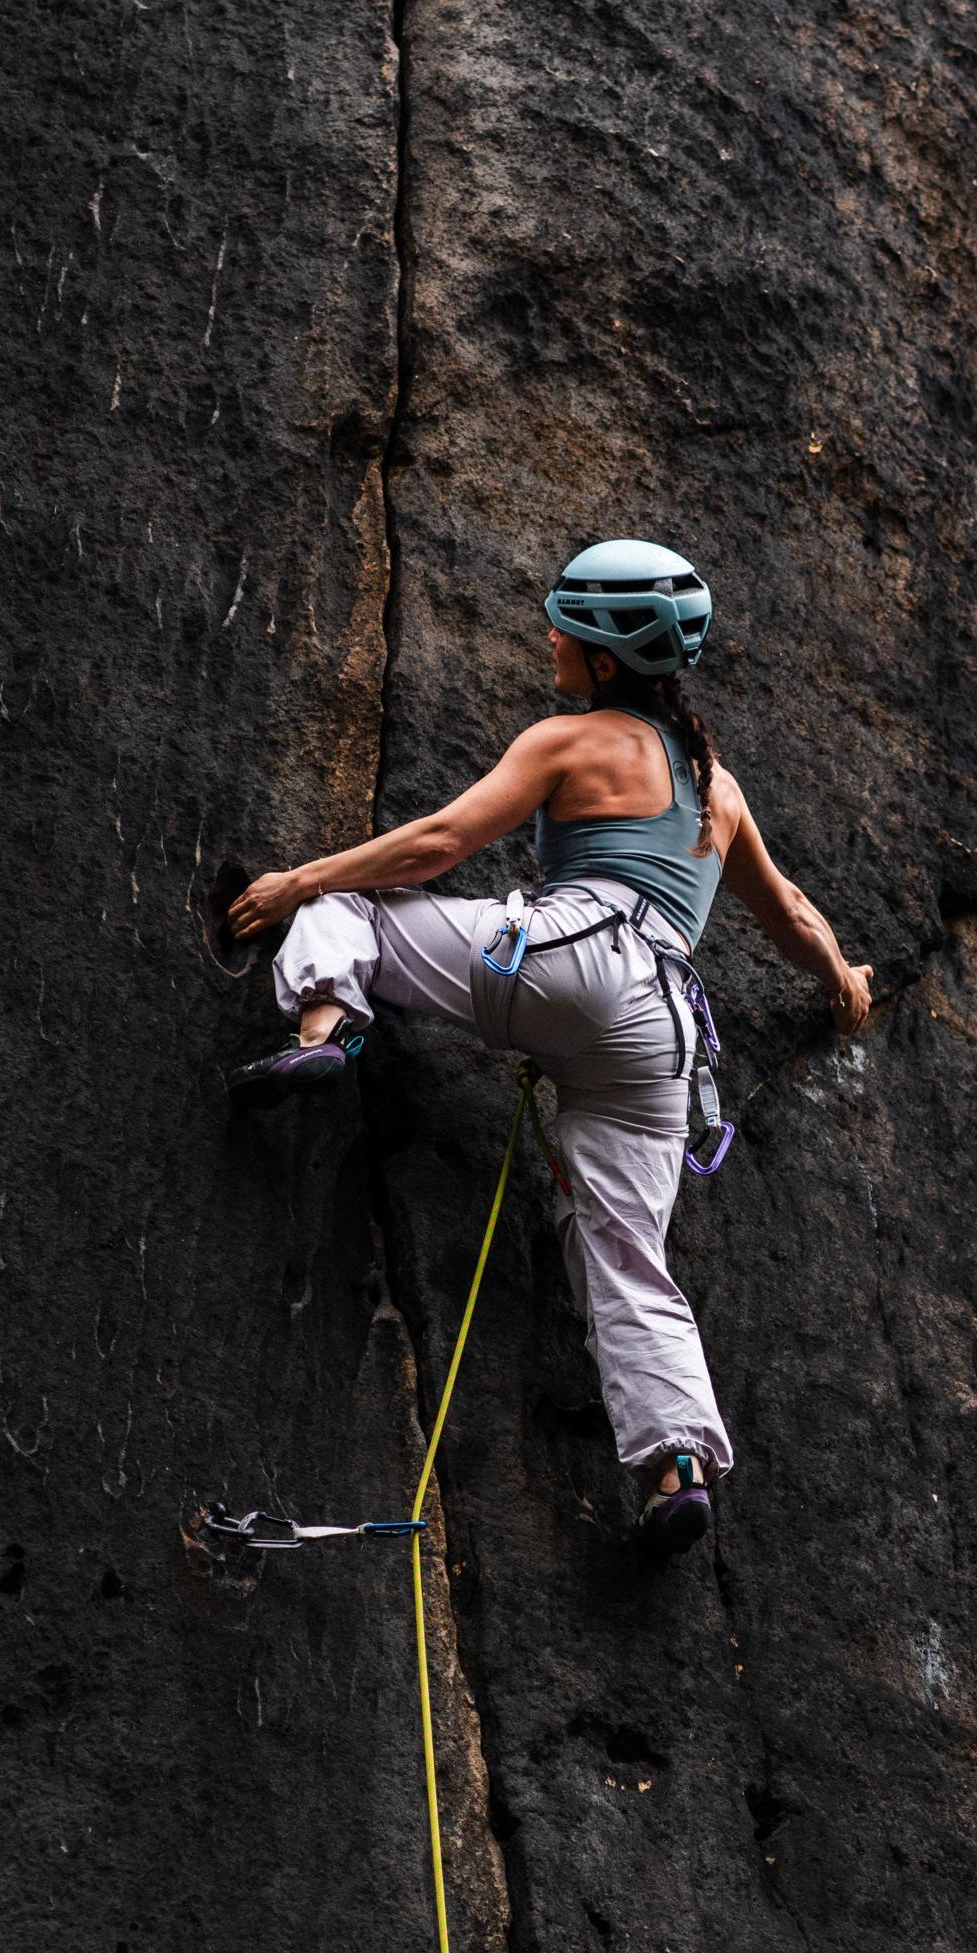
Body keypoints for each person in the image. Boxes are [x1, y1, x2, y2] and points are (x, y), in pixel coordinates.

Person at [224, 540, 872, 1556]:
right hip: (659, 1032)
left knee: (349, 901)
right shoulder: (718, 788)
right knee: (627, 1258)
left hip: (564, 958)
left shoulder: (570, 740)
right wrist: (843, 984)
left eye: (564, 625)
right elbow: (788, 911)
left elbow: (441, 843)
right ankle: (675, 1469)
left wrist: (296, 880)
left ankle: (328, 1026)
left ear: (605, 658)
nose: (551, 638)